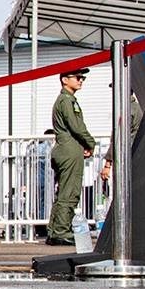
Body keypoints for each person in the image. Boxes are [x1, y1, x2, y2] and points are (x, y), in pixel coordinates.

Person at [46, 66, 97, 246]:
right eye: (77, 77)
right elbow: (76, 126)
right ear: (64, 80)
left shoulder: (65, 100)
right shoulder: (67, 101)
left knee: (63, 192)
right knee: (70, 192)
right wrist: (91, 143)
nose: (80, 80)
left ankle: (55, 231)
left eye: (82, 78)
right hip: (69, 148)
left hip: (65, 147)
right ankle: (61, 231)